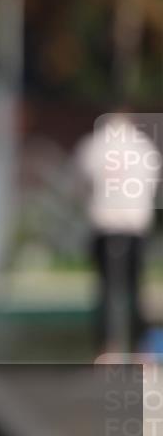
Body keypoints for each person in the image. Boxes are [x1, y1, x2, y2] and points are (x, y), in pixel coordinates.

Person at [75, 110, 161, 353]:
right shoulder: (143, 148)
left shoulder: (93, 146)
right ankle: (140, 349)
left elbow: (81, 184)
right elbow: (151, 187)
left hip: (106, 225)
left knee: (107, 289)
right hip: (134, 226)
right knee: (134, 288)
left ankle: (108, 349)